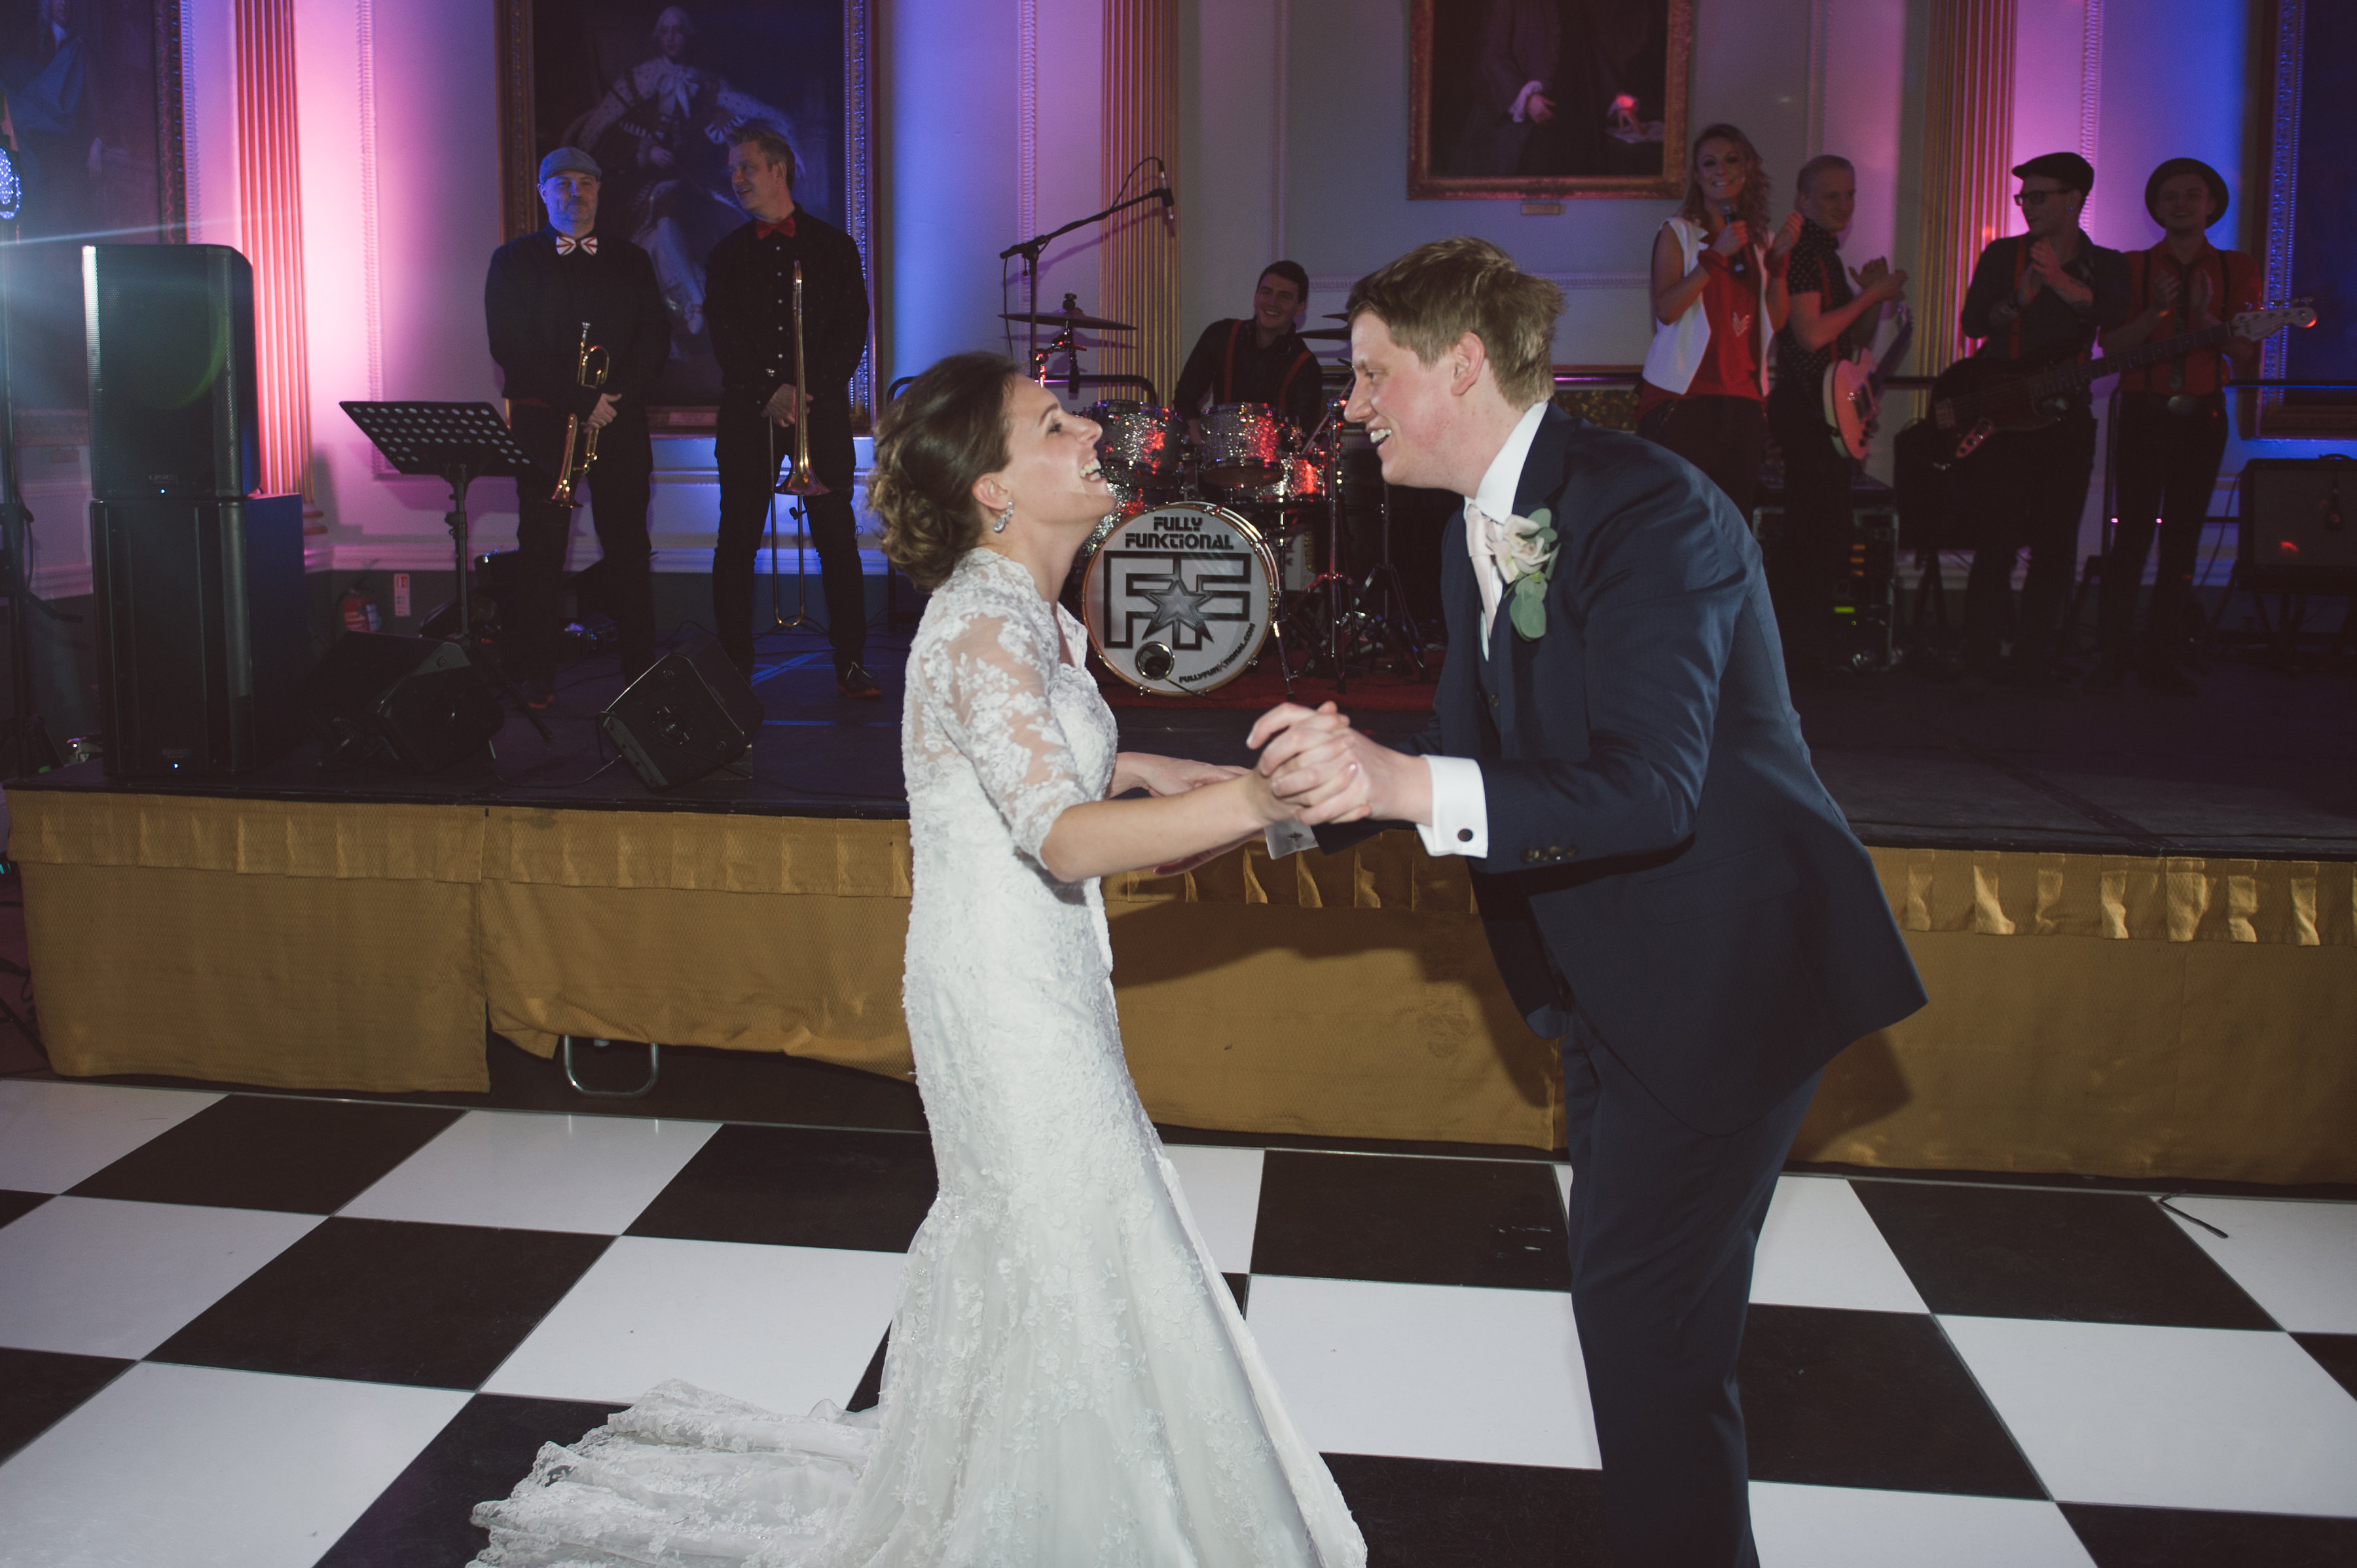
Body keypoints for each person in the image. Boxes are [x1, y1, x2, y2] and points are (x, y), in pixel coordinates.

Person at [471, 352, 1371, 1565]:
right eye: (1053, 424)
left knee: (1066, 1229)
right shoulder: (983, 627)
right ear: (993, 489)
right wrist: (1254, 800)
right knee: (1068, 1222)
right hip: (1000, 993)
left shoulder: (1029, 614)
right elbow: (1060, 836)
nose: (1091, 431)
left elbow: (1040, 768)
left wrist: (1163, 773)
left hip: (1041, 971)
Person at [1255, 236, 1928, 1568]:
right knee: (1643, 1329)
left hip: (1725, 976)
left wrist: (1399, 782)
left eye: (1374, 372)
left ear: (1463, 363)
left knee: (1647, 1334)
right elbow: (1465, 756)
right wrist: (1248, 816)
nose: (1354, 403)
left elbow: (1647, 791)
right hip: (1614, 982)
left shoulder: (1649, 509)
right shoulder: (1476, 529)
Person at [484, 146, 668, 706]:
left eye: (586, 183)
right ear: (543, 193)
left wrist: (613, 398)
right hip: (544, 428)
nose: (575, 193)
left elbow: (654, 341)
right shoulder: (512, 261)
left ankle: (640, 672)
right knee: (540, 554)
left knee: (629, 550)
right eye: (562, 183)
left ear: (599, 191)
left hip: (619, 423)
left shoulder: (631, 260)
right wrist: (582, 400)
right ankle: (537, 675)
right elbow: (510, 347)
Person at [706, 128, 879, 696]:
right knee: (736, 539)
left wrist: (806, 391)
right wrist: (769, 391)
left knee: (837, 538)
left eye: (747, 167)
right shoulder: (726, 255)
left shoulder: (834, 247)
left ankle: (850, 660)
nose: (737, 178)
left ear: (779, 170)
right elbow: (724, 338)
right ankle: (734, 665)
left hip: (819, 412)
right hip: (748, 413)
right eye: (733, 169)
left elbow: (852, 331)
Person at [1954, 151, 2132, 694]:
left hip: (2066, 420)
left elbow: (2115, 316)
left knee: (2055, 546)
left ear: (2073, 198)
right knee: (1996, 540)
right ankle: (1980, 658)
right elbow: (1973, 323)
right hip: (2004, 419)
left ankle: (2034, 661)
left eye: (2038, 195)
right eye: (2024, 197)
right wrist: (2019, 299)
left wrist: (2059, 281)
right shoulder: (2003, 255)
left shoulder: (2107, 264)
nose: (2027, 206)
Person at [2089, 156, 2259, 695]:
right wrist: (2157, 313)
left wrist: (2206, 317)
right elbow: (2112, 349)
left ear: (2211, 205)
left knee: (2182, 541)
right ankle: (2112, 655)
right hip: (2143, 412)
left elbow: (2245, 354)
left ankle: (2160, 657)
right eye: (2170, 197)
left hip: (2203, 415)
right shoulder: (2132, 267)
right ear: (2157, 209)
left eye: (2192, 195)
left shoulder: (2237, 267)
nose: (2181, 204)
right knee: (2132, 536)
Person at [564, 4, 809, 353]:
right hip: (644, 186)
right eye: (665, 31)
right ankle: (692, 303)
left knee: (730, 222)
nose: (671, 38)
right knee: (663, 208)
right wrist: (645, 150)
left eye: (678, 31)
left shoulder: (706, 83)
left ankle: (716, 309)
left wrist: (787, 134)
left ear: (688, 36)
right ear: (657, 37)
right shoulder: (640, 78)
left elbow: (753, 109)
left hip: (694, 181)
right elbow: (597, 128)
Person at [1766, 153, 1908, 682]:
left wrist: (1870, 300)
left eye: (1850, 195)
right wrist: (1872, 295)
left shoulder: (1822, 251)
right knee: (1814, 536)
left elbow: (1848, 340)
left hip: (1821, 409)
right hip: (1807, 409)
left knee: (1824, 534)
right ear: (1803, 200)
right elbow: (1809, 335)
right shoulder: (1805, 252)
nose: (1844, 205)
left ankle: (1805, 653)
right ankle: (1800, 656)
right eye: (1831, 196)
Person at [1636, 122, 1795, 522]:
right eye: (1709, 163)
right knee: (1679, 521)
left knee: (1732, 522)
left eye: (1731, 160)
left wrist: (1779, 266)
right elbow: (1667, 309)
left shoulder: (1761, 241)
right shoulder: (1678, 233)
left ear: (1746, 170)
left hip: (1743, 402)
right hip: (1684, 399)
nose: (1721, 170)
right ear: (1696, 174)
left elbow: (1776, 321)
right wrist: (1715, 257)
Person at [1170, 260, 1328, 439]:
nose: (1272, 302)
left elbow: (1301, 434)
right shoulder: (1221, 335)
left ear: (1300, 307)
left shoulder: (1306, 366)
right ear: (1255, 297)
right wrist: (1201, 446)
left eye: (1284, 296)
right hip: (1220, 453)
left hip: (1275, 456)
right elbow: (1185, 397)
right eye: (1266, 292)